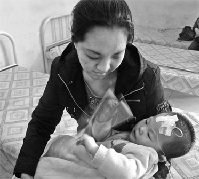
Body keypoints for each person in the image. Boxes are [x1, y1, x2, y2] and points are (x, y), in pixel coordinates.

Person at [13, 0, 172, 178]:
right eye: (92, 55)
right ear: (74, 40)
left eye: (117, 55)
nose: (104, 68)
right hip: (89, 153)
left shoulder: (146, 77)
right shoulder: (63, 72)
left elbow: (166, 142)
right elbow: (42, 123)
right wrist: (24, 170)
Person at [34, 112, 196, 179]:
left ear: (160, 155)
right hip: (85, 157)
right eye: (147, 121)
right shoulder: (131, 139)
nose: (141, 128)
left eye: (149, 135)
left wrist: (94, 149)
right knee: (61, 142)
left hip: (93, 169)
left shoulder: (146, 155)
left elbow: (125, 172)